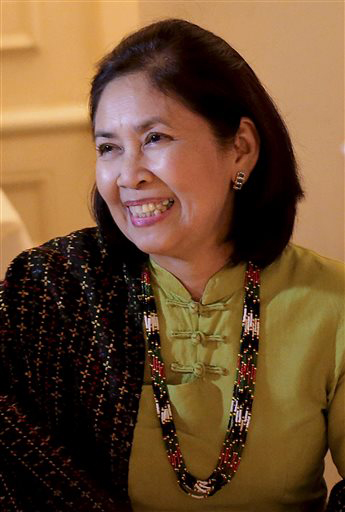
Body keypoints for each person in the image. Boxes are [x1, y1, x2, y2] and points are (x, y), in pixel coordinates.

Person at [0, 18, 344, 512]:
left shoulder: (332, 302)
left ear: (240, 148)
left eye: (155, 138)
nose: (128, 175)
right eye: (108, 148)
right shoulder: (53, 292)